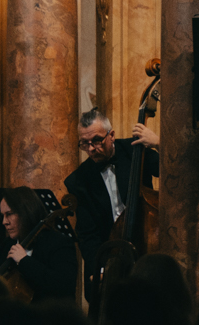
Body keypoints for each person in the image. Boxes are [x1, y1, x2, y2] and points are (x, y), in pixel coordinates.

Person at [64, 107, 160, 301]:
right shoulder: (79, 181)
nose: (91, 149)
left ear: (112, 135)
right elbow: (87, 234)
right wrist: (97, 269)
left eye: (97, 140)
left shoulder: (135, 150)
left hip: (146, 247)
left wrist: (159, 143)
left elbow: (178, 170)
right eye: (85, 143)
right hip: (110, 256)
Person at [0, 187, 77, 302]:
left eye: (9, 214)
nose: (4, 222)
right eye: (3, 215)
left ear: (26, 213)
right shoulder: (7, 245)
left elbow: (63, 288)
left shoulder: (60, 243)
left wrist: (24, 261)